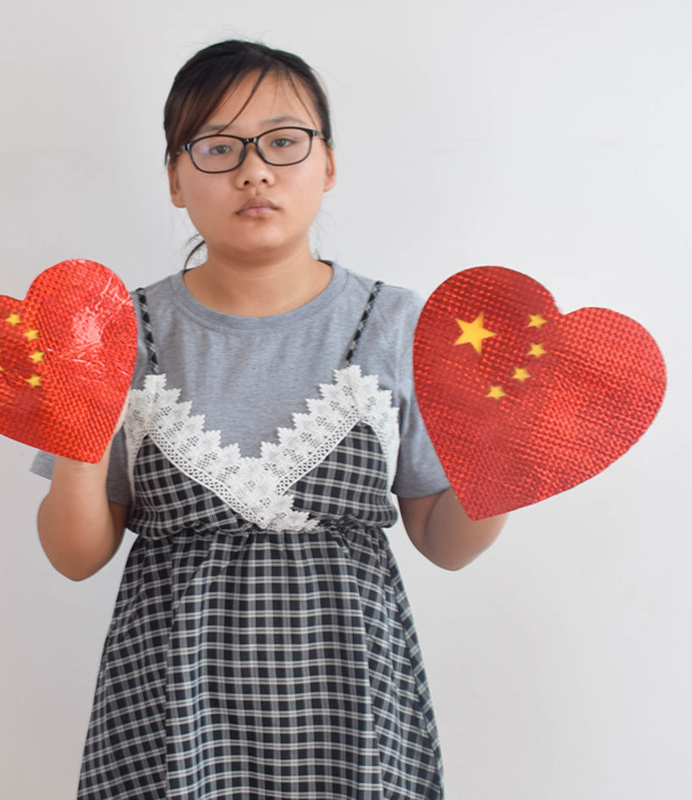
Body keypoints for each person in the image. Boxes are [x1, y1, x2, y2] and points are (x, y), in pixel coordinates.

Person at [33, 39, 507, 799]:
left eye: (284, 142)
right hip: (170, 712)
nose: (254, 171)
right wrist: (76, 426)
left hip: (356, 708)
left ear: (329, 163)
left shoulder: (400, 325)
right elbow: (77, 554)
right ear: (175, 179)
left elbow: (444, 543)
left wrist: (510, 458)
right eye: (218, 147)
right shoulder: (112, 331)